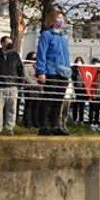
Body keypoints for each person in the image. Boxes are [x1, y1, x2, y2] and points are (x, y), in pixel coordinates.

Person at [36, 7, 71, 136]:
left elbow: (66, 56)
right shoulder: (46, 35)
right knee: (48, 99)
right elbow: (42, 53)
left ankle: (55, 125)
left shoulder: (64, 37)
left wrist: (68, 71)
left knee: (58, 100)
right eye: (59, 18)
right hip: (51, 71)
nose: (61, 20)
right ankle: (43, 125)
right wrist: (41, 71)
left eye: (62, 18)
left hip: (63, 72)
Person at [0, 36, 24, 136]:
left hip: (12, 85)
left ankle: (9, 128)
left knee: (12, 108)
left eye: (11, 42)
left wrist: (20, 83)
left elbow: (20, 69)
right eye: (8, 42)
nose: (10, 44)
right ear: (2, 43)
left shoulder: (15, 55)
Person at [22, 52, 41, 129]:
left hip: (38, 90)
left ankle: (35, 122)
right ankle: (27, 122)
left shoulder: (38, 67)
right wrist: (36, 84)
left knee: (36, 106)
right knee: (29, 106)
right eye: (33, 58)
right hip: (29, 88)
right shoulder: (26, 66)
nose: (34, 60)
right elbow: (26, 77)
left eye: (36, 59)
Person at [71, 56, 88, 125]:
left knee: (82, 106)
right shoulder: (73, 70)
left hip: (82, 90)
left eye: (80, 60)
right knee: (75, 105)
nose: (79, 62)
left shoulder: (84, 70)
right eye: (78, 60)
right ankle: (74, 119)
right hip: (76, 89)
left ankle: (81, 120)